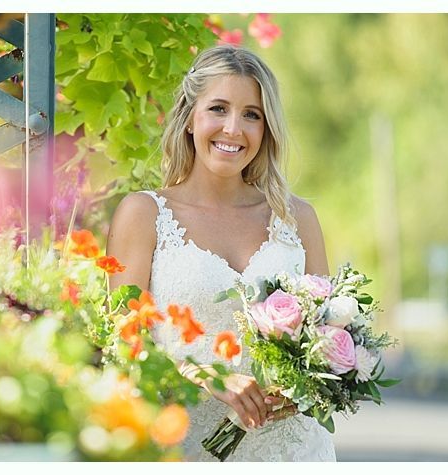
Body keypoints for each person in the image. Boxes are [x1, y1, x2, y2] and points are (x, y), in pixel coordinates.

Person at [106, 45, 335, 461]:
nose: (234, 129)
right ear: (190, 118)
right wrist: (200, 372)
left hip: (296, 451)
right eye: (218, 108)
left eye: (252, 114)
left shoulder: (299, 217)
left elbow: (328, 340)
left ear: (267, 129)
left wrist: (305, 390)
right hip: (182, 446)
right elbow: (122, 348)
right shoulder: (143, 214)